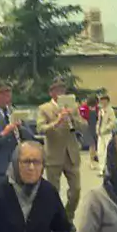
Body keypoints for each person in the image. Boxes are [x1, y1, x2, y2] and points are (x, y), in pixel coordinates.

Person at [36, 79, 87, 221]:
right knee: (53, 191)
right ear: (51, 92)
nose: (60, 93)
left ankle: (68, 216)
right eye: (57, 90)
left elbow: (84, 125)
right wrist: (57, 121)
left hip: (71, 154)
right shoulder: (44, 108)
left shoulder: (73, 107)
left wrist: (73, 117)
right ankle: (55, 220)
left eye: (63, 90)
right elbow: (40, 128)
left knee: (76, 190)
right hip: (53, 155)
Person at [94, 94, 115, 174]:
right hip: (100, 134)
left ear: (107, 101)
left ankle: (108, 169)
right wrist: (97, 129)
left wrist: (106, 129)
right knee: (100, 152)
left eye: (104, 100)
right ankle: (101, 168)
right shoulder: (100, 110)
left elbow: (112, 122)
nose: (102, 102)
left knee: (107, 152)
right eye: (101, 100)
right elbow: (98, 121)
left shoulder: (110, 110)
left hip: (107, 134)